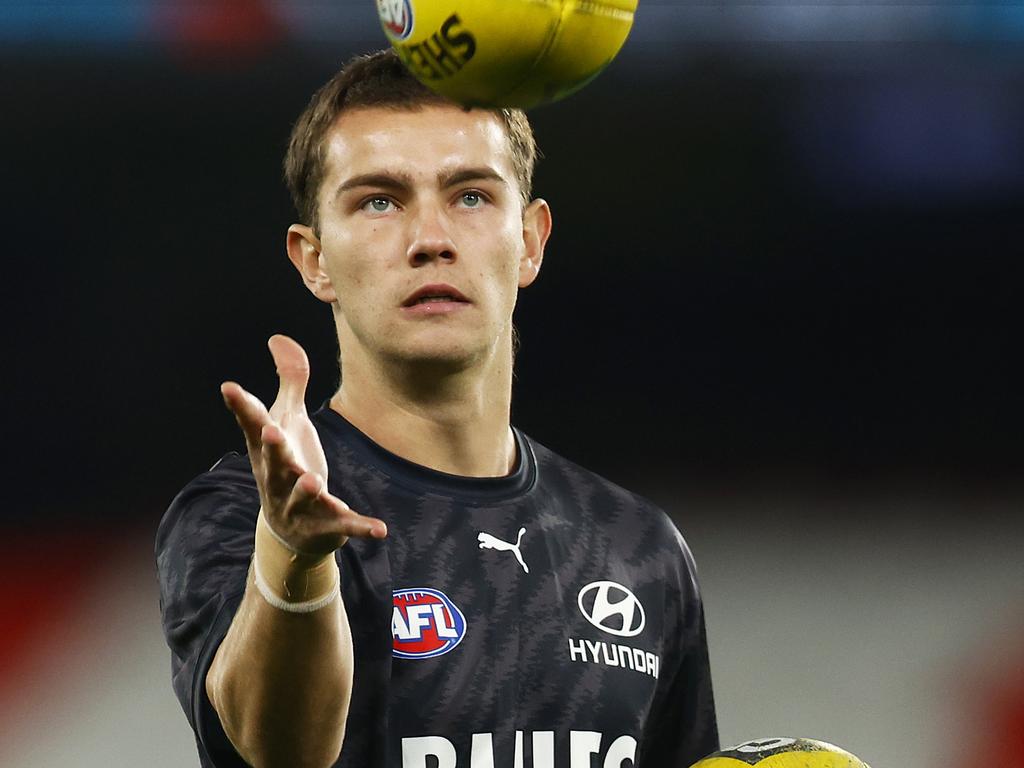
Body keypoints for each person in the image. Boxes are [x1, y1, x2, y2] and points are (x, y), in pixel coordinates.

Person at [156, 48, 718, 768]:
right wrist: (294, 556)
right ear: (313, 260)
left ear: (531, 240)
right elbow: (276, 754)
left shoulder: (640, 548)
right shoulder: (236, 515)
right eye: (379, 201)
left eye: (472, 195)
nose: (430, 240)